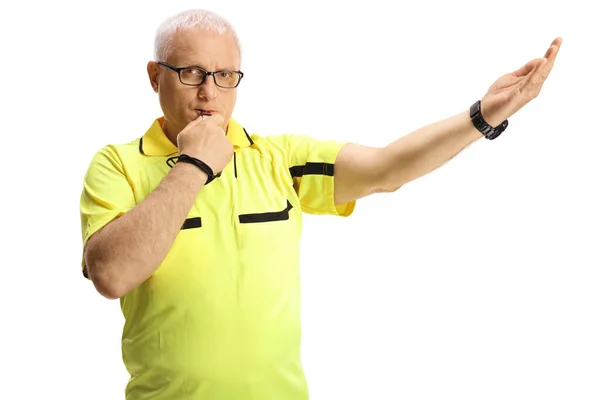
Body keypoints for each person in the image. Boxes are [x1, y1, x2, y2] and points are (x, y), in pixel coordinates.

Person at [79, 8, 562, 400]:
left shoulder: (279, 159)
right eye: (191, 73)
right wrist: (194, 165)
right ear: (153, 76)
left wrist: (484, 115)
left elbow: (386, 168)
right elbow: (112, 275)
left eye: (224, 75)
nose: (209, 92)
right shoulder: (118, 165)